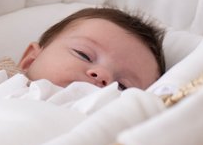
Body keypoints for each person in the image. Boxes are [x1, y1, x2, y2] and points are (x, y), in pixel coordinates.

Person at [17, 6, 165, 92]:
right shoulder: (3, 80)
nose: (103, 75)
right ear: (30, 60)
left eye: (122, 86)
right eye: (84, 55)